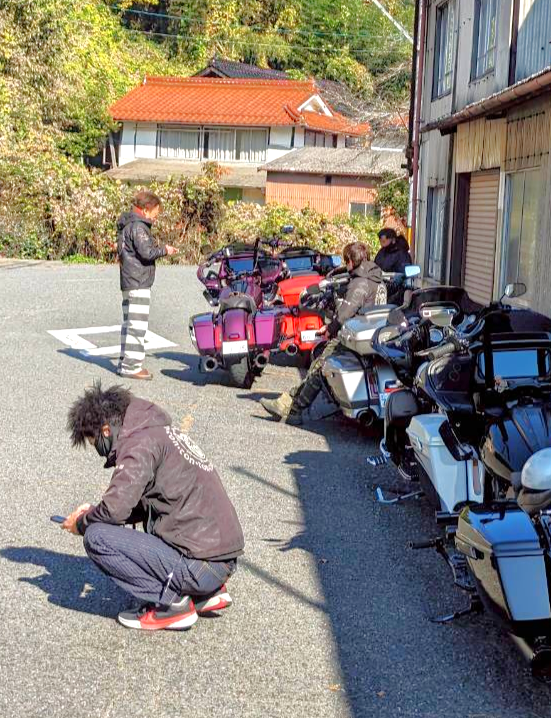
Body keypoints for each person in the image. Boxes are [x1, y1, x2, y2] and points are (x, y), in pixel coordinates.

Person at [62, 382, 245, 631]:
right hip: (220, 562)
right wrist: (95, 512)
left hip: (200, 564)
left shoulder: (138, 445)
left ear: (105, 430)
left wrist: (82, 523)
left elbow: (115, 511)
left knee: (96, 537)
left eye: (94, 441)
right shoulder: (159, 433)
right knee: (102, 525)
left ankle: (173, 605)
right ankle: (205, 593)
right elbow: (135, 506)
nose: (98, 449)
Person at [260, 241, 385, 424]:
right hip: (372, 338)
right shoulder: (378, 279)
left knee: (319, 367)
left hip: (352, 337)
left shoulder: (360, 284)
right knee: (320, 368)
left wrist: (329, 329)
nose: (346, 265)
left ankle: (293, 409)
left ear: (351, 261)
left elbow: (344, 315)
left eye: (346, 260)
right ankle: (289, 404)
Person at [116, 190, 178, 380]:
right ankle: (131, 367)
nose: (155, 217)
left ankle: (125, 362)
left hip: (129, 280)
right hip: (138, 281)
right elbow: (147, 252)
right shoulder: (138, 226)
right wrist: (165, 250)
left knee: (129, 324)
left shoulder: (127, 224)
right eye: (154, 213)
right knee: (137, 326)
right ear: (146, 209)